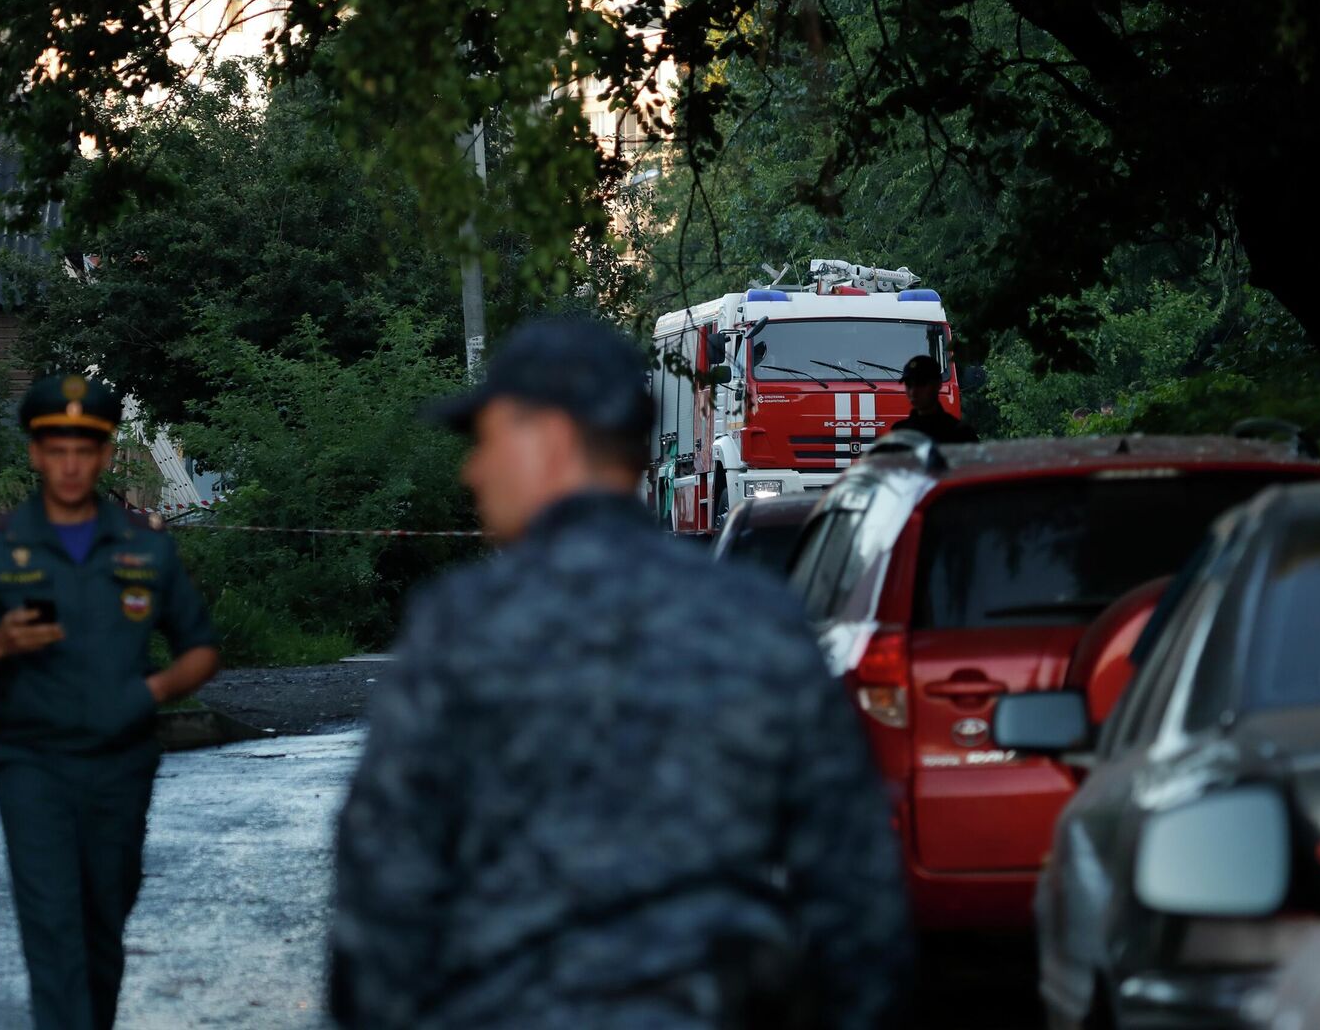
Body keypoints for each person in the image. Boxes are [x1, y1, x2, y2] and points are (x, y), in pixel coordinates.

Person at [329, 319, 911, 1029]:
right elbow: (855, 892)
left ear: (547, 438)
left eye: (485, 441)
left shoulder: (462, 628)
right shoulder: (758, 621)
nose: (471, 470)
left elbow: (382, 897)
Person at [0, 373, 221, 1030]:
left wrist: (150, 690)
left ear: (107, 454)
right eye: (54, 449)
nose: (69, 465)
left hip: (122, 765)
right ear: (34, 453)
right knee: (53, 930)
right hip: (34, 764)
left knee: (101, 926)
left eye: (84, 450)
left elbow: (200, 648)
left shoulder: (146, 542)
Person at [888, 355, 977, 444]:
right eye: (909, 385)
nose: (913, 392)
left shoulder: (961, 433)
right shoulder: (898, 432)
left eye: (921, 384)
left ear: (938, 384)